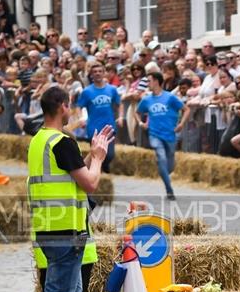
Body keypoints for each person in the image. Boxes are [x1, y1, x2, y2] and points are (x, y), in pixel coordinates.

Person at [28, 86, 114, 292]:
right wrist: (100, 157)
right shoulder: (62, 142)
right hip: (66, 230)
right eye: (71, 106)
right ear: (63, 106)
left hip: (50, 227)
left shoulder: (40, 140)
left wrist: (90, 155)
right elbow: (90, 183)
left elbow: (74, 175)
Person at [135, 72, 190, 200]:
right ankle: (169, 190)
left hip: (170, 135)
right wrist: (140, 123)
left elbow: (186, 109)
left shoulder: (170, 97)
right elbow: (137, 112)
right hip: (154, 134)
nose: (147, 84)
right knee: (161, 156)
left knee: (169, 166)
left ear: (156, 81)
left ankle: (165, 173)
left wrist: (181, 124)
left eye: (149, 81)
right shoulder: (146, 99)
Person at [76, 62, 124, 172]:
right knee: (97, 153)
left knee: (110, 155)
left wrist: (120, 117)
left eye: (100, 71)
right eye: (95, 72)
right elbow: (79, 106)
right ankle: (99, 175)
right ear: (91, 75)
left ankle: (103, 170)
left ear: (104, 73)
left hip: (109, 126)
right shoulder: (87, 91)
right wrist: (81, 118)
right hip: (94, 128)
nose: (97, 74)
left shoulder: (112, 89)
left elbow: (119, 104)